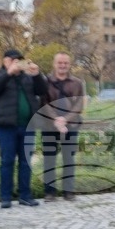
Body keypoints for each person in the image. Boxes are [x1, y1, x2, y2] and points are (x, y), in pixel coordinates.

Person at [0, 49, 48, 209]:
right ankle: (5, 197)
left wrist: (37, 75)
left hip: (27, 125)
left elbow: (42, 90)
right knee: (7, 161)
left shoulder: (27, 78)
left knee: (25, 162)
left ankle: (25, 196)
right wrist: (9, 73)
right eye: (14, 60)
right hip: (6, 126)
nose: (17, 63)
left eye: (20, 60)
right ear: (5, 61)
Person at [40, 52, 85, 201]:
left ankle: (68, 191)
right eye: (60, 62)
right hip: (49, 126)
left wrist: (65, 120)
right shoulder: (45, 82)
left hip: (70, 126)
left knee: (69, 159)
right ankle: (50, 192)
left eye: (65, 63)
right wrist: (56, 119)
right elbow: (44, 103)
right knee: (49, 159)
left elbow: (79, 104)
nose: (62, 65)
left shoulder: (77, 83)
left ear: (69, 65)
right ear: (54, 64)